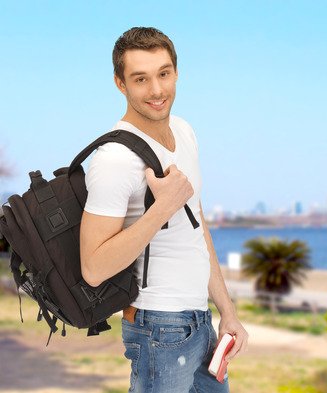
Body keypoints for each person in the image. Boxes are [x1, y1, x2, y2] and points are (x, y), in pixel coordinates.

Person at [79, 26, 248, 392]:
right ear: (120, 84)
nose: (156, 90)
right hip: (157, 326)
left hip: (200, 323)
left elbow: (196, 229)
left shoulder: (185, 131)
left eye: (164, 74)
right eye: (140, 79)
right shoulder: (114, 159)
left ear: (176, 72)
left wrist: (227, 311)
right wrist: (162, 208)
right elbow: (93, 267)